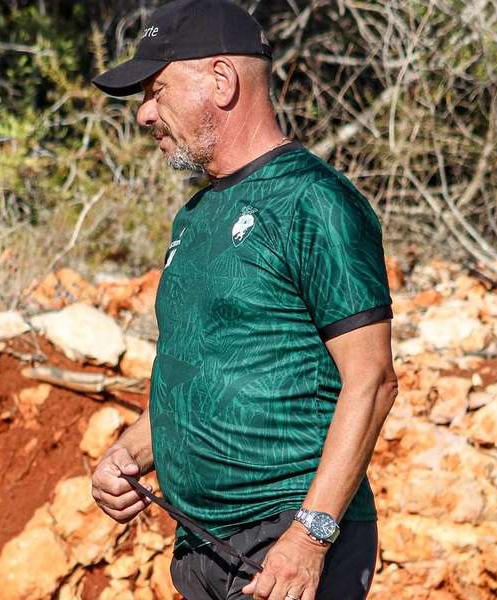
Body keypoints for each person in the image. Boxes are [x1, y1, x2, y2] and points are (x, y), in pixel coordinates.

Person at [89, 1, 399, 599]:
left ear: (222, 80)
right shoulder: (194, 217)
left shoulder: (315, 202)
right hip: (202, 547)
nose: (144, 114)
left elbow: (374, 381)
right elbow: (205, 377)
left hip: (284, 545)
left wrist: (309, 539)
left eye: (156, 90)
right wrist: (127, 454)